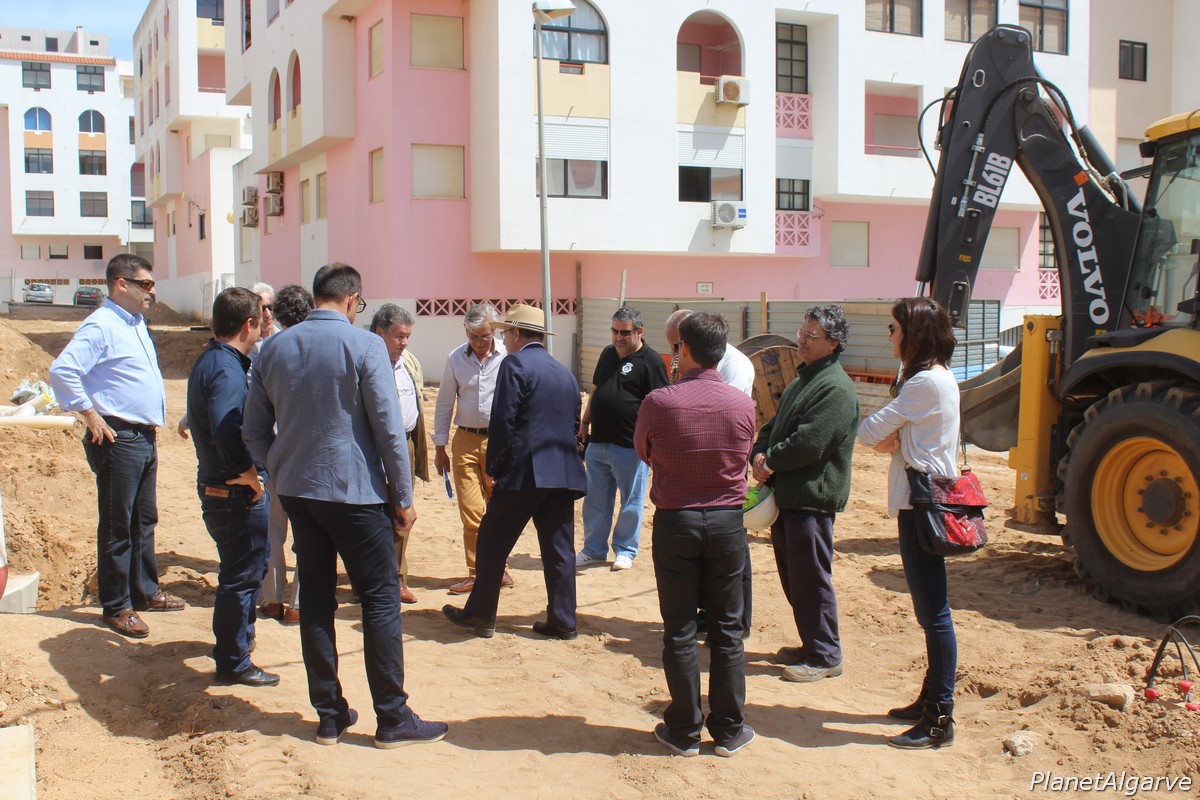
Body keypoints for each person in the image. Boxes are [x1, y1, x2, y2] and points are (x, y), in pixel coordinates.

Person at [243, 263, 446, 748]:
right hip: (355, 493)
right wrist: (403, 497)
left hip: (299, 492)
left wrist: (279, 467)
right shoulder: (365, 345)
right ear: (353, 299)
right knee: (379, 600)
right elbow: (389, 429)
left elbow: (253, 429)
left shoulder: (273, 348)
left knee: (316, 600)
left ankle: (330, 715)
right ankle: (392, 717)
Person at [634, 312, 757, 758]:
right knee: (727, 629)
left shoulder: (659, 402)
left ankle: (684, 729)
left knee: (680, 628)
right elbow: (745, 451)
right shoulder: (742, 404)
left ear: (683, 348)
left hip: (677, 520)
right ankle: (729, 729)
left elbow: (643, 450)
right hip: (727, 523)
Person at [50, 254, 185, 639]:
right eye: (146, 284)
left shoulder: (135, 322)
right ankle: (116, 606)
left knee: (144, 519)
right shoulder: (102, 325)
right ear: (121, 284)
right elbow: (63, 370)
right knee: (117, 525)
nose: (152, 292)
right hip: (117, 437)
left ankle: (144, 592)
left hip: (142, 436)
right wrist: (90, 414)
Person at [442, 304, 587, 639]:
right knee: (559, 549)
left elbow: (503, 420)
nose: (504, 339)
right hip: (561, 472)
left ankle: (481, 614)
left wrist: (494, 467)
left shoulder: (515, 364)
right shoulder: (563, 372)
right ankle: (563, 620)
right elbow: (573, 423)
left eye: (506, 333)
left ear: (517, 333)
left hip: (524, 472)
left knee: (491, 540)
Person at [857, 296, 960, 750]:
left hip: (922, 505)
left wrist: (896, 437)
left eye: (895, 329)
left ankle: (939, 717)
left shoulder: (923, 383)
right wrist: (899, 436)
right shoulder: (936, 377)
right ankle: (929, 700)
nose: (890, 336)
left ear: (914, 335)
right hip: (924, 501)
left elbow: (868, 432)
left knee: (934, 614)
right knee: (930, 612)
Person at [750, 304, 858, 683]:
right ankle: (812, 643)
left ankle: (825, 654)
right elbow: (772, 425)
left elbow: (810, 442)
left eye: (811, 336)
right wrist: (759, 453)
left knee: (810, 578)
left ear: (833, 343)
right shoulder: (803, 380)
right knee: (795, 578)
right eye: (802, 332)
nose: (802, 340)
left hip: (811, 499)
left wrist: (771, 460)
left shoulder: (835, 388)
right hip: (789, 496)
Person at [186, 288, 276, 686]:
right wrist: (248, 472)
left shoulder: (213, 359)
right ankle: (233, 661)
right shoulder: (226, 368)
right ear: (248, 324)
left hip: (221, 487)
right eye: (260, 320)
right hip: (233, 492)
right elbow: (226, 427)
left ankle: (239, 643)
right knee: (240, 576)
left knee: (245, 569)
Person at [665, 308, 756, 638]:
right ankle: (708, 611)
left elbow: (721, 415)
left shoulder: (735, 365)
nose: (676, 354)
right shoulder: (695, 364)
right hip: (697, 469)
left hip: (722, 471)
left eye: (677, 346)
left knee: (731, 551)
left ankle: (737, 619)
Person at [576, 307, 668, 571]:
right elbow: (595, 389)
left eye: (624, 333)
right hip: (598, 442)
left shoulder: (651, 361)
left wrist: (651, 442)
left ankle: (626, 550)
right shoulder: (607, 354)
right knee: (595, 501)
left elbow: (660, 404)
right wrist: (585, 422)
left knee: (631, 502)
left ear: (639, 331)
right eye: (615, 331)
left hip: (631, 447)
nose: (618, 337)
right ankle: (593, 550)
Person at [433, 303, 514, 595]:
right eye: (474, 337)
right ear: (466, 331)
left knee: (498, 510)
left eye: (485, 336)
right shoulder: (455, 358)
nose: (480, 343)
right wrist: (440, 447)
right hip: (465, 441)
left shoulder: (508, 356)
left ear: (495, 331)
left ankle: (499, 568)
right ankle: (477, 572)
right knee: (472, 511)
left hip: (499, 442)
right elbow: (444, 403)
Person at [257, 284, 313, 624]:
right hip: (310, 457)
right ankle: (297, 605)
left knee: (273, 532)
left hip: (277, 455)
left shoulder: (268, 350)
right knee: (309, 534)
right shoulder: (321, 348)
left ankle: (273, 599)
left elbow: (255, 412)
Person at [369, 304, 430, 604]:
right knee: (372, 514)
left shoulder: (408, 362)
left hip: (404, 445)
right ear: (380, 332)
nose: (404, 342)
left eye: (408, 337)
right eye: (399, 336)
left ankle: (397, 579)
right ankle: (370, 580)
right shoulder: (366, 364)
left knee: (403, 511)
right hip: (372, 448)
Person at [664, 309, 754, 394]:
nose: (679, 353)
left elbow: (728, 402)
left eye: (678, 346)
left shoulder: (735, 364)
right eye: (674, 349)